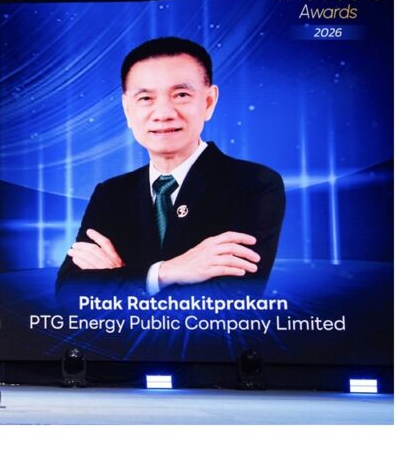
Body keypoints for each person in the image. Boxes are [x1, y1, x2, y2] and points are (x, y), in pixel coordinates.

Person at [57, 37, 285, 298]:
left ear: (209, 102)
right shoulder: (110, 194)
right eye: (145, 98)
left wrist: (119, 278)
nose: (163, 113)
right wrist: (166, 272)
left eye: (181, 95)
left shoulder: (253, 184)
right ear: (127, 109)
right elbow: (70, 293)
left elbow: (227, 303)